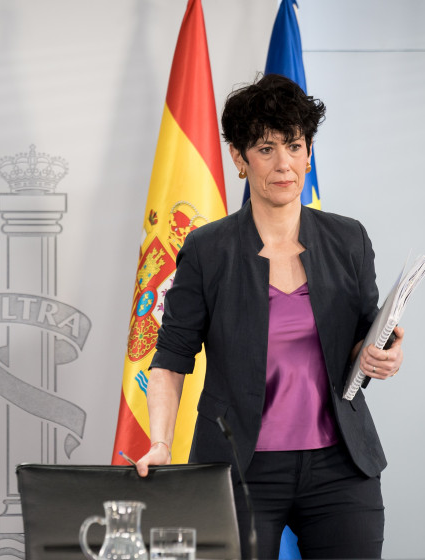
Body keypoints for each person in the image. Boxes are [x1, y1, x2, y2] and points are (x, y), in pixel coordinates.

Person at [133, 74, 404, 559]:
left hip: (342, 467)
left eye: (294, 146)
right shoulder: (206, 250)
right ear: (239, 159)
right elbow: (171, 360)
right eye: (265, 148)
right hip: (238, 468)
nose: (284, 164)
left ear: (309, 151)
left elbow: (364, 339)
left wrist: (382, 353)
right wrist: (159, 442)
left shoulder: (349, 240)